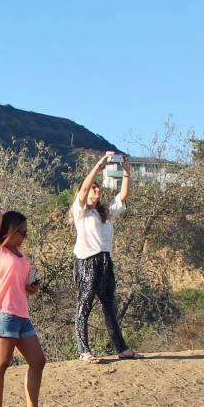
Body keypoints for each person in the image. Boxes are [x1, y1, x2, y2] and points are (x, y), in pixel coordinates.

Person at [0, 207, 54, 407]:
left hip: (21, 314)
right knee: (1, 364)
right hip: (2, 313)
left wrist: (30, 288)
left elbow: (21, 286)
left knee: (38, 361)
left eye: (26, 232)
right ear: (9, 230)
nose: (25, 236)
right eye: (21, 231)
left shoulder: (21, 256)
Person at [71, 151, 139, 363]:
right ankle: (84, 350)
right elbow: (83, 189)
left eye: (98, 188)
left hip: (104, 261)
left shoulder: (105, 211)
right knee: (85, 304)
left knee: (109, 305)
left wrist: (126, 173)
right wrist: (100, 164)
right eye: (94, 188)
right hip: (86, 261)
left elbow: (123, 197)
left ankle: (122, 349)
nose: (96, 189)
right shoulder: (80, 210)